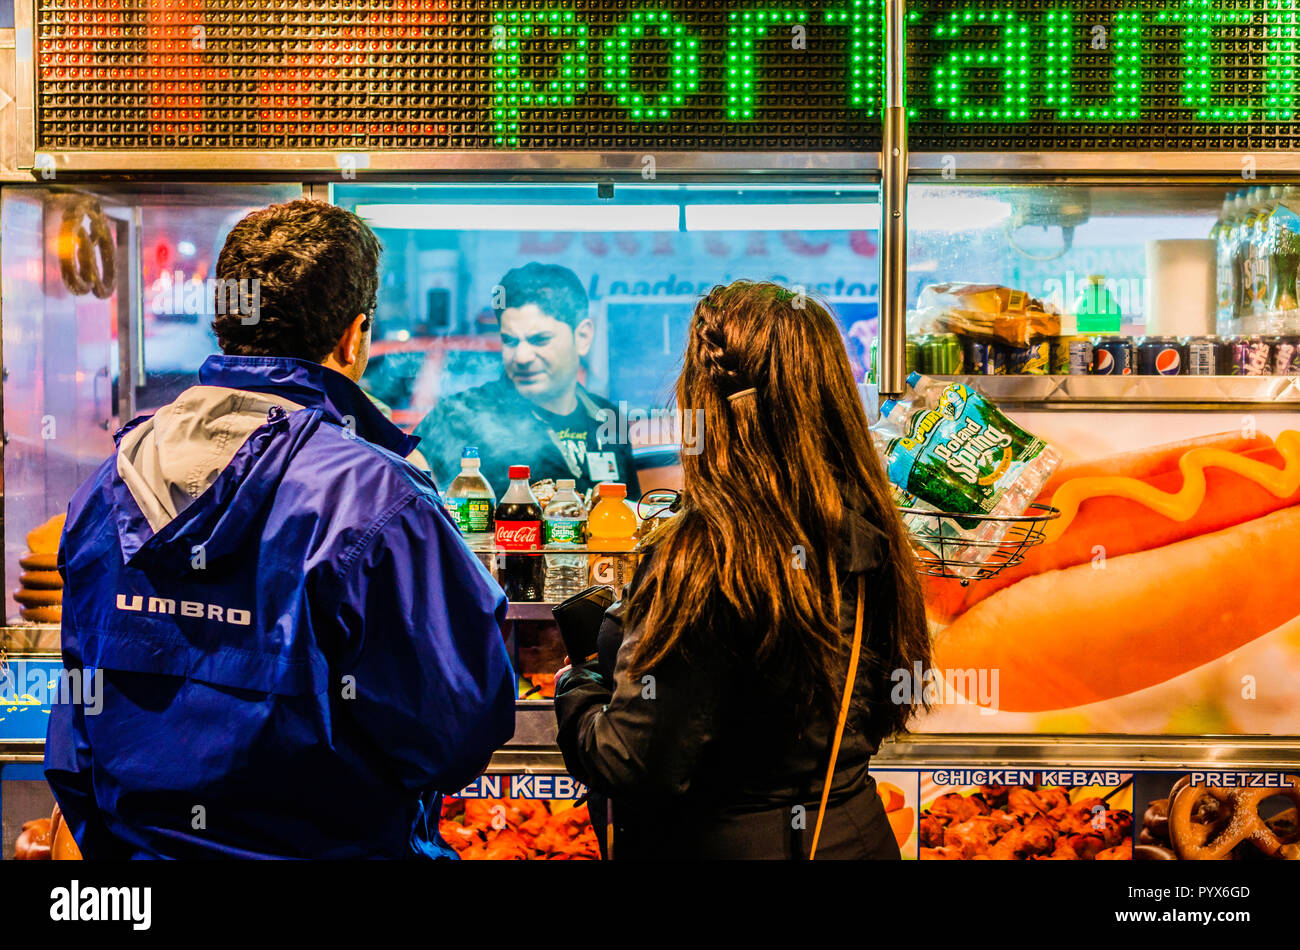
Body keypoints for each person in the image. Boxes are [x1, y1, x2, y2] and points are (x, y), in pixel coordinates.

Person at [44, 199, 516, 859]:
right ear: (354, 337)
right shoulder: (377, 499)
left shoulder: (106, 487)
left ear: (225, 324)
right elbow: (458, 732)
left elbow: (75, 738)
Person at [553, 281, 930, 860]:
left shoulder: (706, 555)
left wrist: (576, 686)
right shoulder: (873, 529)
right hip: (854, 833)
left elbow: (631, 764)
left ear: (700, 403)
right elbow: (880, 709)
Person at [414, 262, 640, 500]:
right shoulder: (460, 415)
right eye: (509, 341)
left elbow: (633, 514)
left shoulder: (606, 418)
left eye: (540, 339)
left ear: (582, 337)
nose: (521, 357)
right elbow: (402, 494)